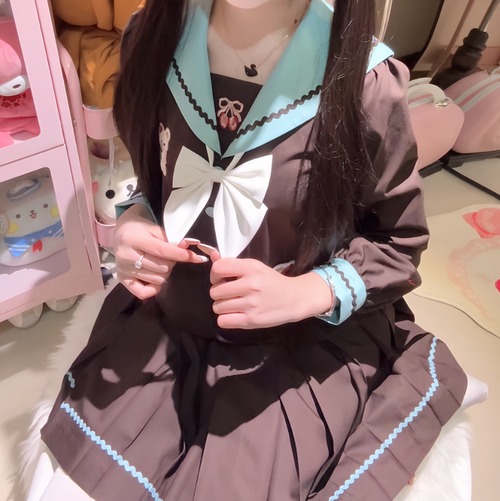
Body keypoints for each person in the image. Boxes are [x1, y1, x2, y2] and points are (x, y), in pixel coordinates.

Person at [38, 0, 469, 499]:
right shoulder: (152, 36)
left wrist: (304, 292)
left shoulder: (364, 79)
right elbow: (154, 172)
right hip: (170, 320)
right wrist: (134, 218)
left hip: (292, 347)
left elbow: (397, 241)